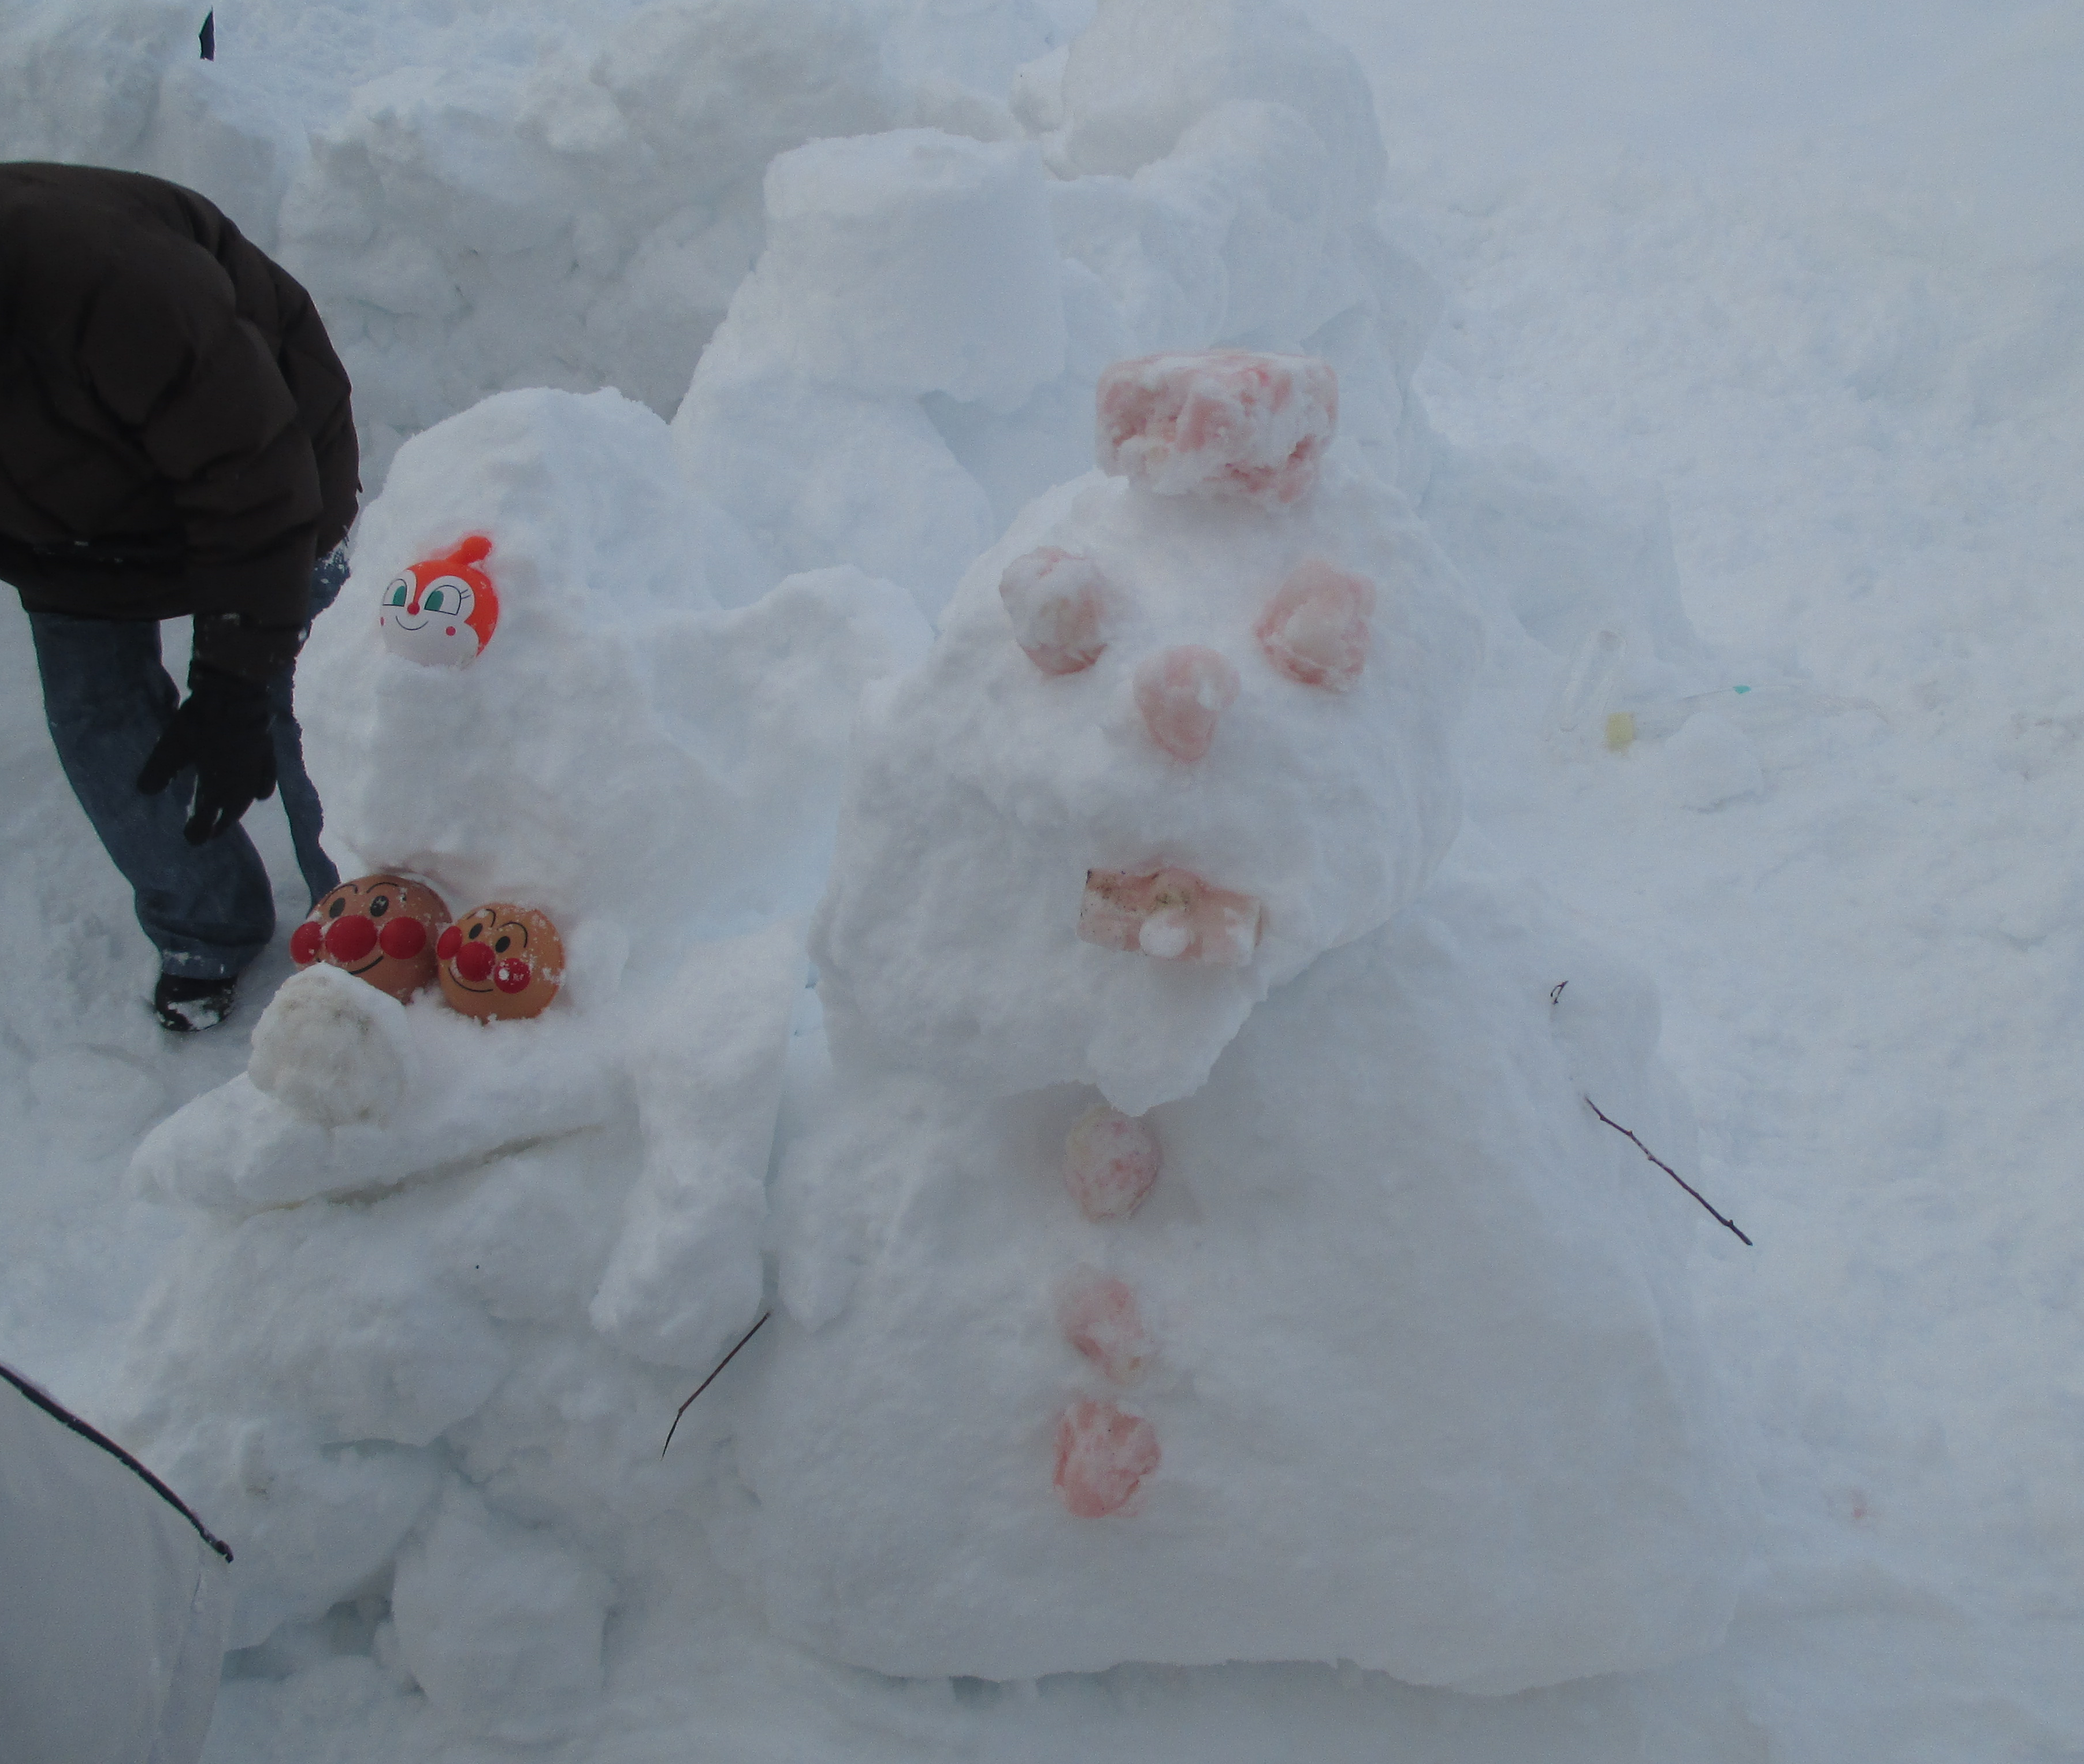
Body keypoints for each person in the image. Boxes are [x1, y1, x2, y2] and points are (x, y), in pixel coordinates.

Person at [1, 162, 359, 1030]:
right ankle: (206, 923)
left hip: (268, 476)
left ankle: (365, 914)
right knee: (95, 718)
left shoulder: (110, 281)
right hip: (67, 528)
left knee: (306, 697)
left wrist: (233, 682)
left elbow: (257, 481)